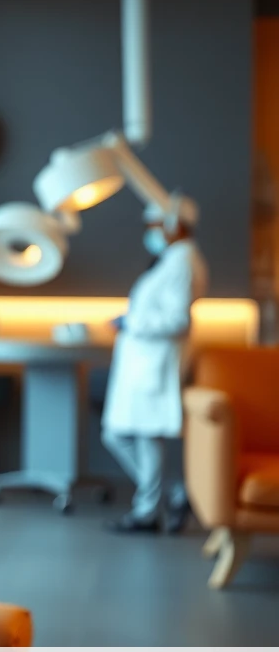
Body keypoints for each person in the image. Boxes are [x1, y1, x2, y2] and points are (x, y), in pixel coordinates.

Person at [102, 193, 209, 534]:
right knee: (127, 435)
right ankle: (172, 495)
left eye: (153, 225)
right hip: (144, 362)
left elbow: (178, 320)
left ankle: (151, 508)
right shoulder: (175, 259)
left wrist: (131, 323)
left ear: (173, 224)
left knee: (140, 436)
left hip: (156, 363)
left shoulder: (182, 262)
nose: (150, 232)